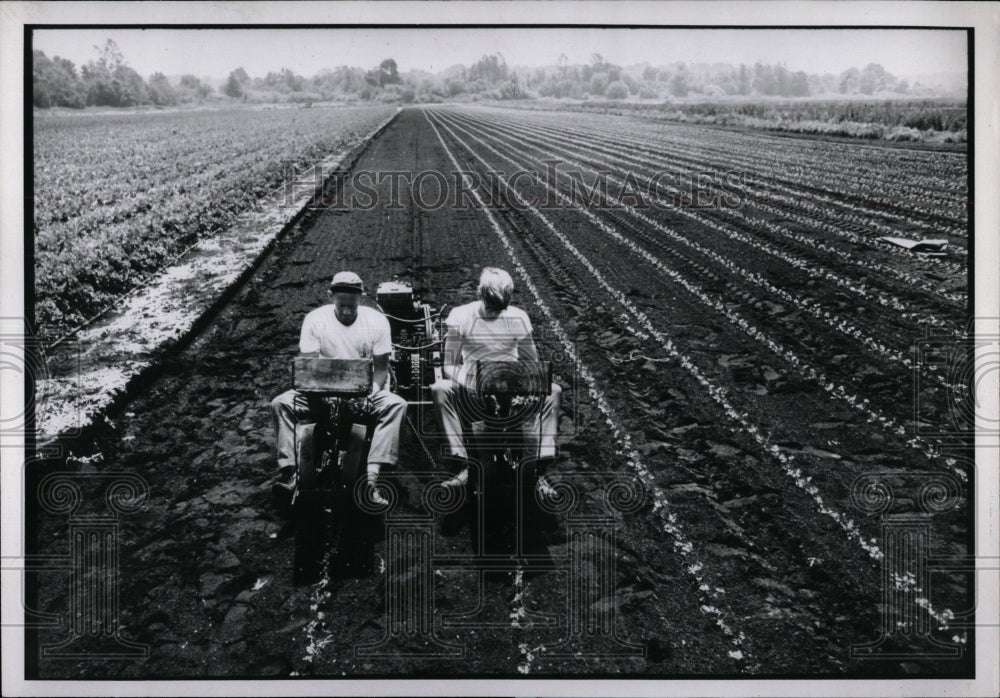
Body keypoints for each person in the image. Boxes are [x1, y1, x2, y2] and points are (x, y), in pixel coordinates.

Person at [271, 271, 406, 507]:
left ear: (360, 299)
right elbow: (310, 367)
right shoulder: (315, 320)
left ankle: (373, 475)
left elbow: (381, 370)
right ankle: (291, 472)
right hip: (321, 392)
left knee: (396, 404)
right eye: (341, 304)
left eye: (351, 306)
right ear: (331, 297)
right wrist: (324, 395)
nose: (346, 311)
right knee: (280, 403)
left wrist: (371, 392)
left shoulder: (376, 322)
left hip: (363, 392)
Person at [430, 267, 561, 490]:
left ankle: (539, 465)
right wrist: (470, 381)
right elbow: (449, 365)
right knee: (439, 389)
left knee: (554, 391)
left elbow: (531, 362)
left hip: (509, 382)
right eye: (490, 308)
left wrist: (520, 381)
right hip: (472, 381)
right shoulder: (461, 316)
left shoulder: (518, 317)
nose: (493, 314)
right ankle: (462, 463)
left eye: (499, 310)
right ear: (480, 295)